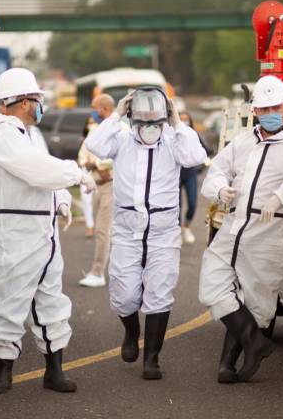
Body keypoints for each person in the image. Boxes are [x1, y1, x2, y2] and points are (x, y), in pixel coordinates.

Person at [198, 75, 283, 384]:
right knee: (211, 283)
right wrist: (219, 191)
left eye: (274, 107)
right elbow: (217, 170)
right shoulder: (244, 141)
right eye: (262, 108)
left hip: (270, 228)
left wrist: (281, 197)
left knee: (256, 301)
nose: (269, 112)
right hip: (236, 222)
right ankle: (256, 342)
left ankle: (228, 364)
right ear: (254, 111)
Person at [0, 68, 97, 394]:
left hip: (41, 232)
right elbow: (35, 169)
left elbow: (42, 166)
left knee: (50, 301)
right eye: (36, 99)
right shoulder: (0, 132)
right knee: (9, 301)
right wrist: (74, 174)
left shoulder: (30, 134)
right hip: (12, 232)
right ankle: (3, 372)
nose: (40, 105)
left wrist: (60, 200)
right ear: (21, 101)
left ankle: (54, 371)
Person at [85, 88, 207, 380]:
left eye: (156, 123)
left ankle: (151, 358)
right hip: (128, 230)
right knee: (124, 295)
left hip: (163, 232)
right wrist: (116, 113)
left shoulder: (173, 141)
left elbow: (195, 156)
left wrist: (177, 122)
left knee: (159, 292)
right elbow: (95, 144)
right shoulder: (122, 139)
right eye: (143, 123)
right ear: (132, 119)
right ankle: (131, 331)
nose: (149, 129)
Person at [77, 94, 125, 287]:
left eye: (94, 107)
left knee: (104, 231)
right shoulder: (95, 130)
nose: (92, 111)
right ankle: (113, 271)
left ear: (104, 108)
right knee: (102, 230)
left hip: (112, 186)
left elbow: (119, 159)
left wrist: (98, 165)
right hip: (98, 186)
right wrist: (95, 166)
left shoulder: (121, 129)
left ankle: (98, 273)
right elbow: (83, 155)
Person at [178, 111, 210, 245]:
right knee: (176, 206)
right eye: (182, 120)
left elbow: (206, 150)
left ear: (190, 121)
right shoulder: (174, 135)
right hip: (176, 175)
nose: (184, 122)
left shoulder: (194, 135)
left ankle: (186, 227)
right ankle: (177, 231)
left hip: (190, 173)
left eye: (186, 120)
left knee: (192, 203)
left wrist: (200, 167)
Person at [79, 116, 96, 239]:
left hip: (100, 172)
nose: (91, 125)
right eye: (89, 123)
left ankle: (100, 227)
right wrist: (86, 162)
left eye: (93, 122)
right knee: (86, 200)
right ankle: (90, 226)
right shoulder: (84, 141)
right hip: (86, 172)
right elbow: (81, 158)